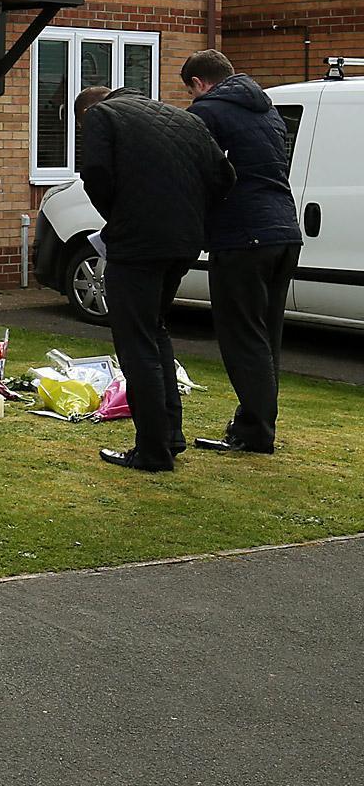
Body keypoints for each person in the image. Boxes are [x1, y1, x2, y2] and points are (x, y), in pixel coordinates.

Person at [74, 83, 233, 472]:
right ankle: (169, 436)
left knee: (136, 342)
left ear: (86, 112)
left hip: (137, 243)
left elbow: (94, 172)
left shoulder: (102, 116)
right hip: (183, 242)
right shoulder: (187, 119)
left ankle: (152, 451)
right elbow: (225, 176)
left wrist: (119, 213)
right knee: (155, 330)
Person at [182, 49, 301, 455]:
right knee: (267, 336)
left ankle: (254, 434)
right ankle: (255, 424)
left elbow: (199, 172)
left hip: (242, 235)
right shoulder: (267, 110)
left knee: (241, 336)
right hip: (284, 230)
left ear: (199, 83)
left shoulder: (207, 113)